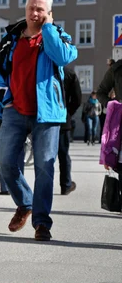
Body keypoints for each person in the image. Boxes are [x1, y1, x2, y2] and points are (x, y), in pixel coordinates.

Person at [0, 0, 77, 241]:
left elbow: (63, 57)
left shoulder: (58, 37)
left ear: (49, 13)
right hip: (14, 110)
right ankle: (25, 202)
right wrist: (4, 102)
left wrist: (49, 28)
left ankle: (42, 223)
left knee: (45, 168)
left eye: (40, 9)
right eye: (31, 8)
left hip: (47, 114)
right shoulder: (11, 38)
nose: (34, 13)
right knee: (6, 163)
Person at [58, 67, 82, 195]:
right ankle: (66, 184)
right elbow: (77, 99)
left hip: (44, 119)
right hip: (62, 119)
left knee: (44, 156)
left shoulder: (42, 69)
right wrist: (68, 113)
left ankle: (43, 188)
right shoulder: (69, 73)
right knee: (63, 154)